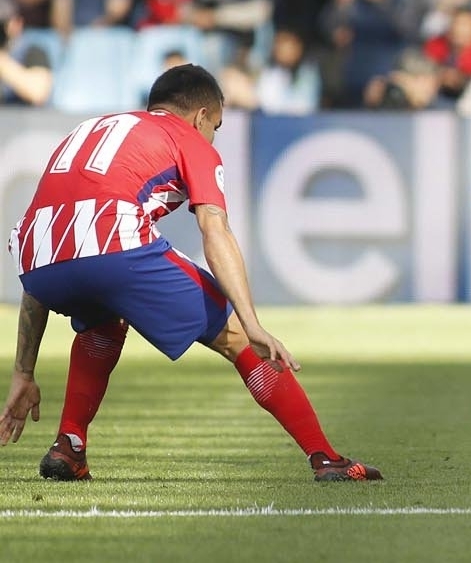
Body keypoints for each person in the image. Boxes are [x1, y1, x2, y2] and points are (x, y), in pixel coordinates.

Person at [0, 64, 381, 483]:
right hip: (111, 243)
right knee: (240, 339)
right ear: (200, 116)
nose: (213, 136)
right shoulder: (188, 138)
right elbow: (215, 230)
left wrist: (24, 372)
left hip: (34, 258)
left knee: (104, 321)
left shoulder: (89, 129)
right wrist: (251, 322)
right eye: (215, 126)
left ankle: (69, 446)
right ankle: (326, 458)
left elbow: (55, 244)